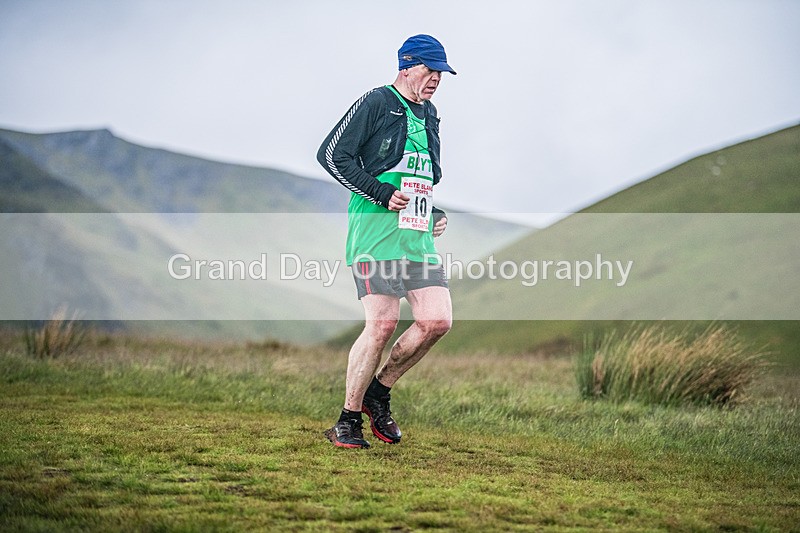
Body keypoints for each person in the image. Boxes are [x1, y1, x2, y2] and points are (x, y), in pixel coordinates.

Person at [316, 34, 457, 449]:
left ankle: (379, 392)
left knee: (437, 321)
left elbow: (425, 177)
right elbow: (331, 155)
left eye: (441, 74)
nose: (435, 80)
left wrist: (434, 213)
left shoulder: (430, 114)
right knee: (381, 324)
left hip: (416, 237)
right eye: (430, 71)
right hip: (374, 235)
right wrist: (379, 193)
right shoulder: (376, 102)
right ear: (407, 66)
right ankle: (347, 420)